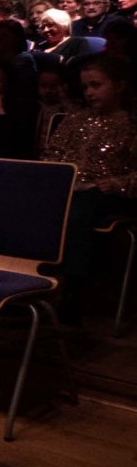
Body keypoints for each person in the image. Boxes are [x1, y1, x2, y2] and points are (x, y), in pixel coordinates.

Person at [43, 54, 137, 323]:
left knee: (80, 209)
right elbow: (52, 153)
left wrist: (121, 183)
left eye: (97, 85)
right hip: (72, 187)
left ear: (119, 85)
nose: (90, 93)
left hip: (111, 193)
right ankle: (25, 275)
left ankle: (73, 288)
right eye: (85, 87)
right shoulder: (76, 119)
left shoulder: (130, 124)